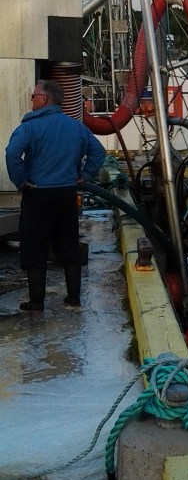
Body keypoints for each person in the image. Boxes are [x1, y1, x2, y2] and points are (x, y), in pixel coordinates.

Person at [5, 79, 106, 313]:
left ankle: (37, 303)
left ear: (44, 99)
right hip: (66, 193)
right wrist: (85, 176)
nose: (31, 99)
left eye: (34, 96)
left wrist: (21, 181)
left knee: (34, 245)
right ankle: (73, 299)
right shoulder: (75, 127)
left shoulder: (30, 127)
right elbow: (97, 152)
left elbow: (12, 154)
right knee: (68, 245)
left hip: (37, 194)